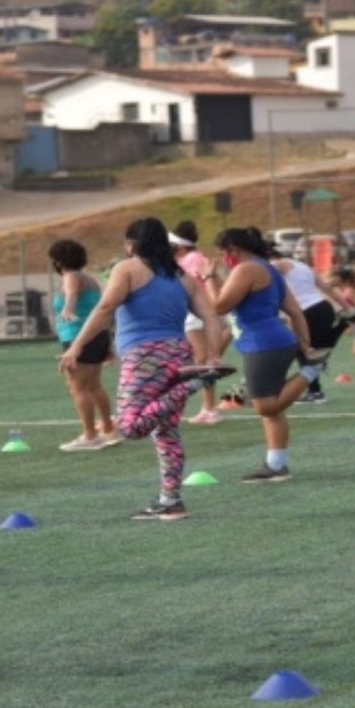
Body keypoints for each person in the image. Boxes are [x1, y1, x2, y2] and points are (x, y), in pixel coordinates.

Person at [61, 219, 226, 520]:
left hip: (145, 356)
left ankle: (193, 384)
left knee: (129, 426)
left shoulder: (128, 268)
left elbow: (106, 307)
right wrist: (213, 355)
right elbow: (210, 314)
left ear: (132, 243)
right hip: (178, 353)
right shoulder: (183, 276)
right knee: (166, 432)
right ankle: (171, 500)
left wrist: (77, 346)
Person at [212, 227, 323, 481]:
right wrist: (304, 345)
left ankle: (311, 371)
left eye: (222, 254)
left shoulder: (246, 269)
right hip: (276, 340)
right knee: (273, 411)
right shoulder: (268, 268)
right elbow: (295, 311)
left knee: (264, 405)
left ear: (234, 250)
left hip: (263, 344)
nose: (221, 259)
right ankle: (276, 465)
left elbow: (220, 305)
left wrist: (208, 281)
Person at [48, 239, 118, 451]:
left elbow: (71, 294)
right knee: (94, 385)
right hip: (97, 336)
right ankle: (107, 428)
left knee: (77, 387)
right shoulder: (90, 279)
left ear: (58, 261)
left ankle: (90, 435)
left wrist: (67, 310)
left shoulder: (71, 277)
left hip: (78, 337)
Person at [170, 221, 229, 424]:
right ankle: (208, 407)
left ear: (183, 245)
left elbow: (208, 282)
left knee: (203, 361)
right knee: (201, 360)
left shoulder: (193, 258)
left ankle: (210, 408)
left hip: (197, 315)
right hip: (196, 314)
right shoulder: (193, 258)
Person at [272, 252, 348, 405]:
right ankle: (343, 324)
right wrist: (348, 308)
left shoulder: (279, 264)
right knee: (315, 352)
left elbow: (274, 266)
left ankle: (314, 392)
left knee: (304, 351)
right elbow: (328, 289)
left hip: (307, 312)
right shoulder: (303, 266)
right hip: (324, 308)